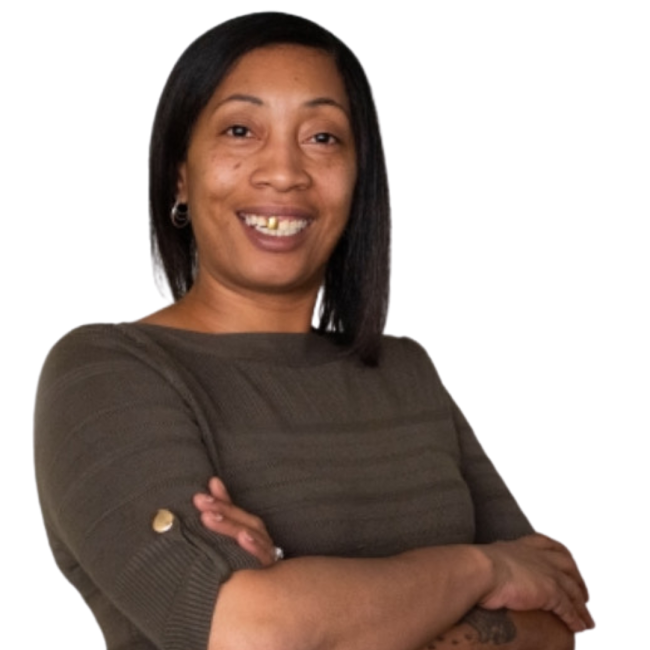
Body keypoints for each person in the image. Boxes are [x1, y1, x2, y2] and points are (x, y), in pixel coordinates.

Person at [32, 11, 595, 650]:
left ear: (358, 181)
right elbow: (246, 632)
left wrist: (307, 601)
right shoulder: (107, 371)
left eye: (323, 137)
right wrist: (481, 570)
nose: (284, 172)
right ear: (180, 174)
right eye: (240, 130)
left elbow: (558, 614)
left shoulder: (407, 369)